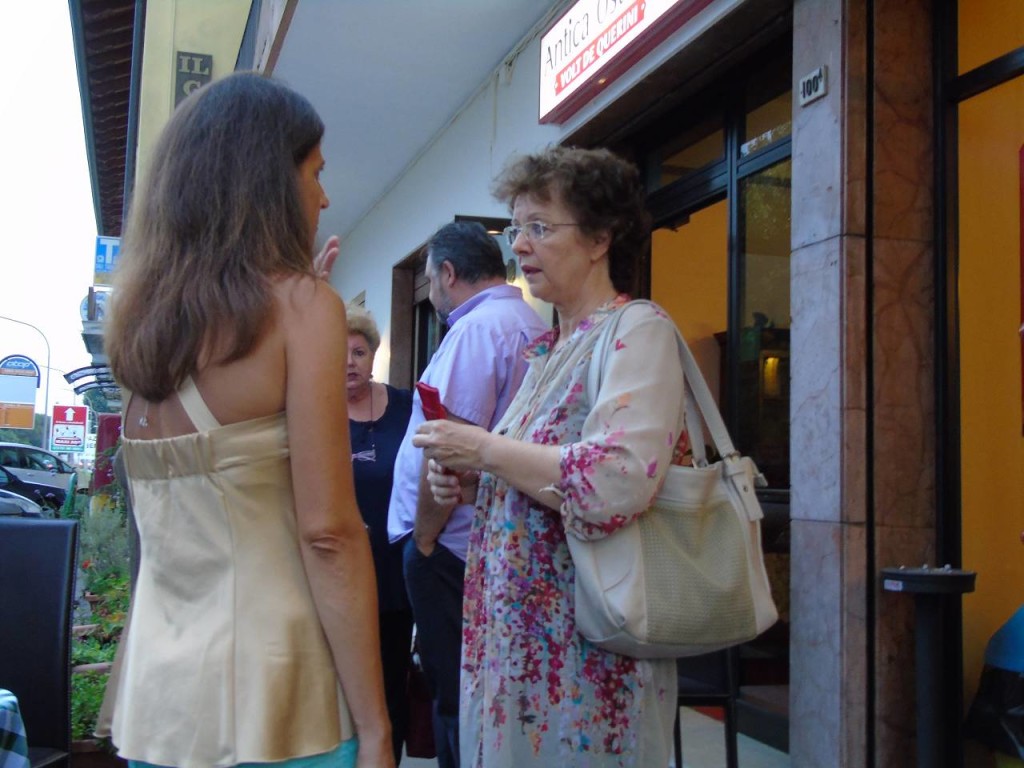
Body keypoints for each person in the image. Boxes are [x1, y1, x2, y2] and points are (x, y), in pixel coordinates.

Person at [101, 72, 394, 768]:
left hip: (160, 698)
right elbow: (328, 535)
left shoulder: (138, 323)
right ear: (267, 179)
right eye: (315, 172)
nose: (324, 195)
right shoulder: (301, 308)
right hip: (280, 695)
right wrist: (378, 728)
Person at [412, 146, 688, 767]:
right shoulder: (548, 349)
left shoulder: (638, 331)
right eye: (516, 229)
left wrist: (482, 448)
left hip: (587, 649)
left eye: (540, 227)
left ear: (599, 239)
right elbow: (533, 487)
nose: (520, 247)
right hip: (522, 645)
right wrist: (469, 475)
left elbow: (614, 482)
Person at [387, 221, 547, 768]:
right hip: (484, 541)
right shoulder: (525, 321)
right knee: (480, 693)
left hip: (453, 546)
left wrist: (424, 543)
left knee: (456, 697)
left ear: (448, 274)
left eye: (431, 278)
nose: (431, 290)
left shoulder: (479, 330)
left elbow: (446, 446)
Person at [345, 303, 415, 765]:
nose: (349, 361)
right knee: (344, 684)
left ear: (373, 356)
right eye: (338, 352)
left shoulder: (409, 407)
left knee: (393, 679)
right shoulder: (314, 415)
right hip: (342, 574)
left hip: (395, 572)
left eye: (359, 351)